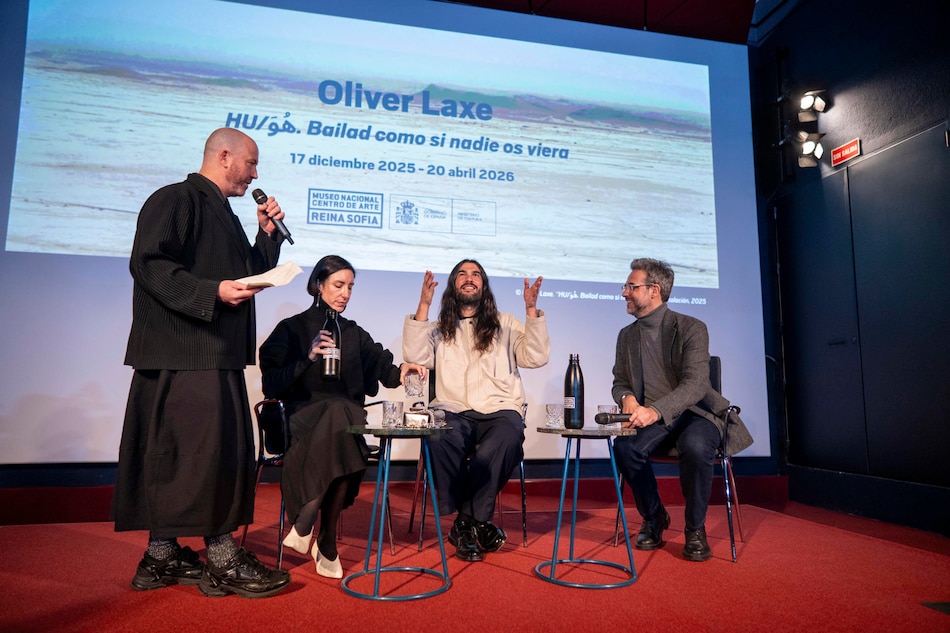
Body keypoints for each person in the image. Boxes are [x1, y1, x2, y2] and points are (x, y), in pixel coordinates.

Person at [111, 127, 291, 598]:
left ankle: (162, 555)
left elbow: (244, 276)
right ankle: (222, 557)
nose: (255, 174)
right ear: (224, 156)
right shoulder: (175, 199)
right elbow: (148, 264)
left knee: (198, 452)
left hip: (214, 352)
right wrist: (209, 291)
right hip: (184, 354)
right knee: (200, 455)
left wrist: (266, 237)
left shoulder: (225, 215)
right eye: (251, 163)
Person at [259, 255, 427, 579]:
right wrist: (308, 357)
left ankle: (308, 524)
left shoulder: (353, 333)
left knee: (344, 421)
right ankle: (325, 537)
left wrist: (403, 369)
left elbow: (383, 367)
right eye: (339, 285)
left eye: (350, 286)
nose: (346, 293)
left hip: (340, 426)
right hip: (299, 419)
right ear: (319, 285)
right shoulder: (291, 329)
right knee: (346, 421)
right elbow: (272, 383)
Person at [403, 260, 550, 562]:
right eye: (462, 275)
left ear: (483, 286)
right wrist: (423, 305)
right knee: (438, 437)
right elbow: (415, 356)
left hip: (499, 409)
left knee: (507, 437)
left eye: (475, 275)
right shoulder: (438, 329)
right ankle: (475, 523)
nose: (469, 280)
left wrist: (532, 311)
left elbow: (536, 357)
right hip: (453, 410)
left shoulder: (506, 324)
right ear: (453, 286)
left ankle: (464, 523)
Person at [610, 258, 753, 561]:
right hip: (654, 419)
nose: (624, 292)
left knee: (696, 445)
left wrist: (655, 410)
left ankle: (695, 528)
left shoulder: (691, 328)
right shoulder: (627, 335)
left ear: (654, 291)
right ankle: (654, 516)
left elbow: (696, 385)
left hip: (696, 413)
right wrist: (628, 400)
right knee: (625, 447)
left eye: (630, 286)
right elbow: (620, 382)